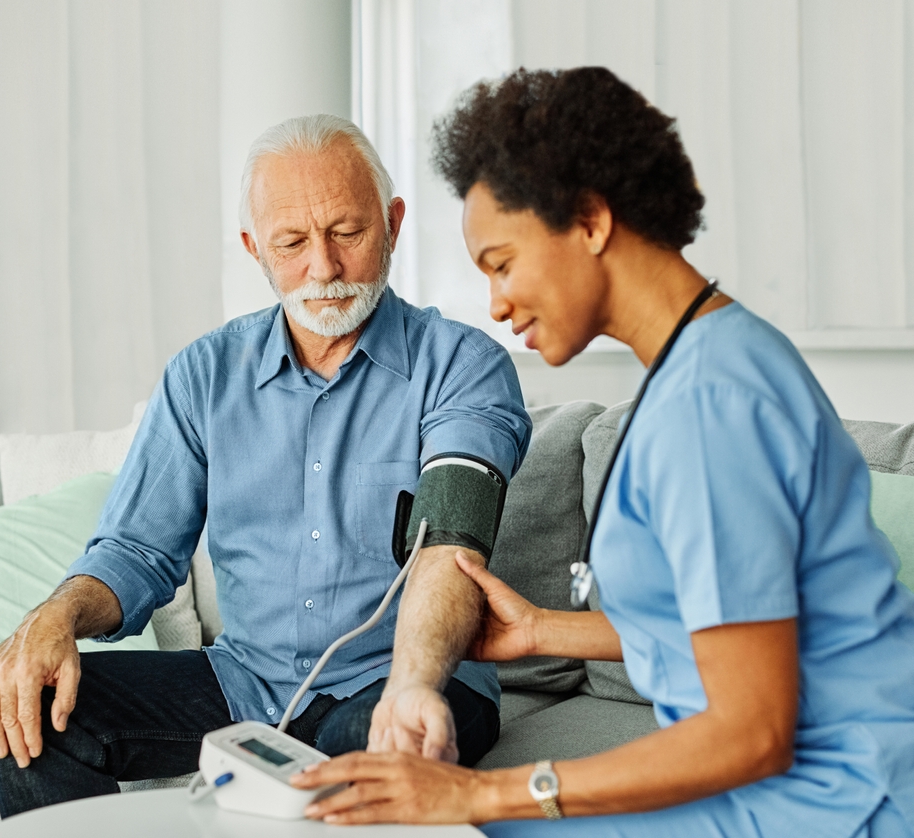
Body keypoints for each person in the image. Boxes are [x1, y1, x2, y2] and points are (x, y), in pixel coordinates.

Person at [291, 68, 914, 836]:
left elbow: (752, 731)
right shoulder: (712, 358)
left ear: (588, 221)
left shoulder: (709, 407)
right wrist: (545, 632)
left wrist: (481, 794)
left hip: (840, 804)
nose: (494, 303)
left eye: (501, 263)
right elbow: (748, 618)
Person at [0, 114, 532, 817]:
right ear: (254, 249)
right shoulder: (203, 376)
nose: (323, 269)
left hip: (401, 681)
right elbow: (136, 550)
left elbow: (450, 546)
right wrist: (55, 615)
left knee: (351, 765)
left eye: (348, 233)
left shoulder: (463, 365)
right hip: (241, 680)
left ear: (392, 224)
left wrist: (413, 684)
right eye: (292, 243)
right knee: (25, 713)